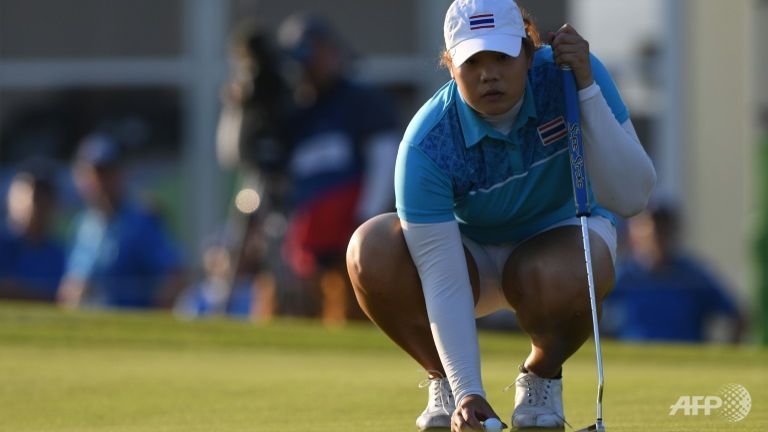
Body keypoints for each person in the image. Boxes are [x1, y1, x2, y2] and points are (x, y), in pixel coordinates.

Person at [346, 0, 656, 430]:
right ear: (450, 65)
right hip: (470, 258)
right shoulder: (427, 142)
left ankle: (541, 378)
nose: (489, 73)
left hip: (561, 240)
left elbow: (631, 197)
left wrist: (586, 86)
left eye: (502, 57)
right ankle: (449, 387)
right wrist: (469, 387)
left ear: (528, 54)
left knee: (566, 271)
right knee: (371, 248)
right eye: (473, 60)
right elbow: (444, 278)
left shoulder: (569, 77)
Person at [277, 14, 400, 323]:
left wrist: (366, 220)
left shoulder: (362, 101)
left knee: (353, 311)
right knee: (297, 313)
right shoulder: (293, 113)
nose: (309, 62)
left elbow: (386, 159)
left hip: (349, 232)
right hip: (306, 238)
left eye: (317, 51)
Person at [57, 133, 186, 310]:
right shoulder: (80, 224)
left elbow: (174, 276)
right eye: (93, 173)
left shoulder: (142, 221)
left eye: (106, 173)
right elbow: (69, 284)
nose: (99, 181)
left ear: (120, 174)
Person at [603, 201, 745, 343]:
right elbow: (590, 311)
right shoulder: (622, 276)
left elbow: (737, 316)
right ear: (635, 233)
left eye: (663, 227)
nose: (657, 233)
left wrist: (721, 357)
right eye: (651, 227)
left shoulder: (693, 276)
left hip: (686, 361)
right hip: (635, 360)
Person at [0, 160, 66, 302]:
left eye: (43, 197)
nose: (36, 205)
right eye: (32, 196)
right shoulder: (3, 245)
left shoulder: (60, 253)